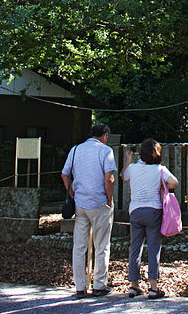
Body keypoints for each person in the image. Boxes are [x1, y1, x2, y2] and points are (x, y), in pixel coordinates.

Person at [61, 123, 117, 298]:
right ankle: (99, 284)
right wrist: (109, 198)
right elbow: (109, 178)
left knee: (79, 246)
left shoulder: (76, 149)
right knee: (101, 245)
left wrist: (71, 192)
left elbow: (65, 174)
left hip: (80, 203)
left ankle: (80, 286)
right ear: (105, 136)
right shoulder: (106, 151)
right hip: (99, 202)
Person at [121, 138, 178, 299]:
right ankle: (153, 287)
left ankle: (133, 285)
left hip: (135, 211)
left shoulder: (132, 168)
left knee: (135, 248)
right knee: (153, 248)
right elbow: (174, 182)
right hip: (154, 211)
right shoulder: (160, 169)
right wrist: (162, 185)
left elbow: (123, 176)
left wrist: (128, 160)